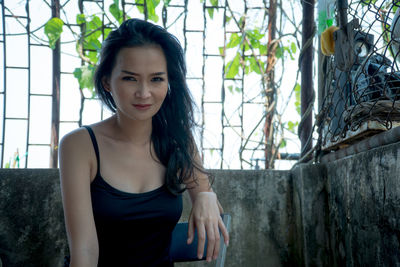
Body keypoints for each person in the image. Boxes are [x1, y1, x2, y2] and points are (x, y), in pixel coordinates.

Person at [59, 18, 229, 267]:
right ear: (107, 81)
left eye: (157, 79)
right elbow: (84, 251)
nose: (144, 93)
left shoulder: (177, 140)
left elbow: (212, 216)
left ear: (169, 82)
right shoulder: (79, 146)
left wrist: (206, 196)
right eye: (130, 78)